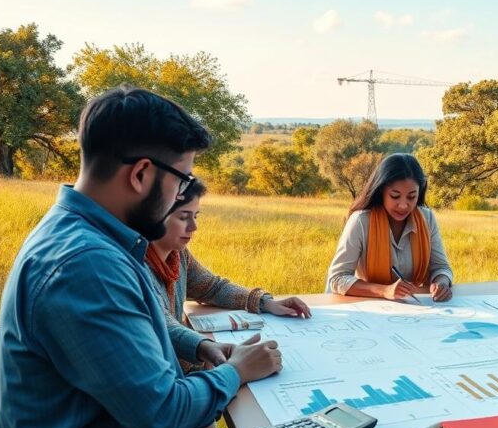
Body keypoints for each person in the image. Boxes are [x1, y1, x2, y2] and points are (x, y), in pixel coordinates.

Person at [0, 86, 283, 428]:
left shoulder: (94, 236)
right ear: (142, 173)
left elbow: (137, 327)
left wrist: (201, 348)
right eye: (180, 180)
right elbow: (164, 414)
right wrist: (236, 372)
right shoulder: (85, 265)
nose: (179, 196)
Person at [146, 178, 312, 373]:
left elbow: (212, 287)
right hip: (169, 376)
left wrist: (266, 303)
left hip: (190, 368)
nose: (193, 227)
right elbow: (163, 325)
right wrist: (209, 348)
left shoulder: (178, 255)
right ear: (156, 215)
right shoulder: (138, 266)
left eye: (196, 216)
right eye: (183, 217)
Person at [326, 153, 455, 302]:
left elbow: (441, 268)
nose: (403, 205)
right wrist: (384, 290)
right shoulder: (361, 221)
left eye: (411, 197)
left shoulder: (427, 218)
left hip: (414, 307)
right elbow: (337, 278)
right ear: (381, 191)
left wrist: (442, 283)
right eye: (395, 196)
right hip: (368, 308)